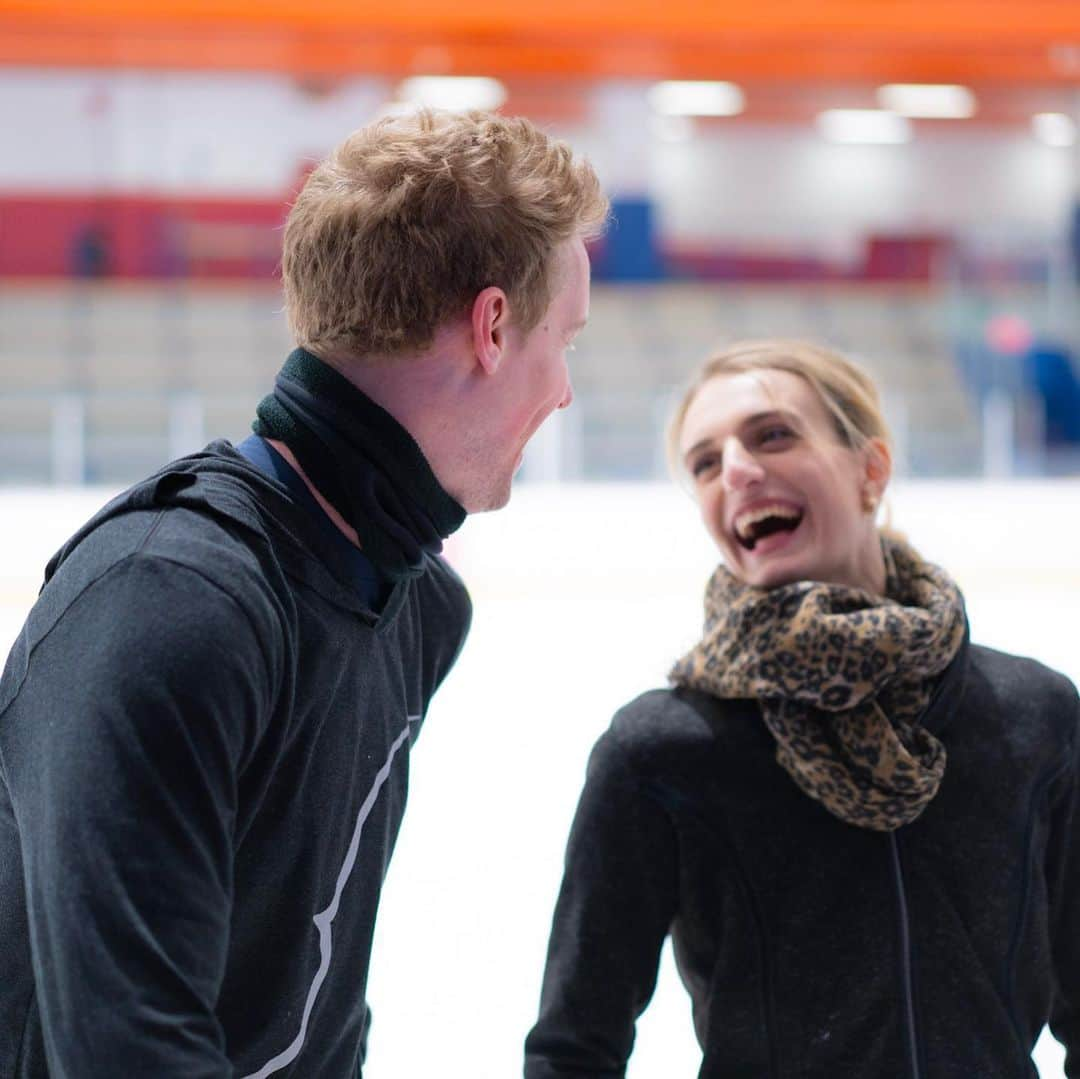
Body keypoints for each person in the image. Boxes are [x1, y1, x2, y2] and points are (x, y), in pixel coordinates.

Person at [0, 109, 607, 1078]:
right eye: (565, 337)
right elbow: (130, 1052)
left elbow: (311, 1003)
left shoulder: (411, 603)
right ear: (493, 326)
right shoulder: (172, 600)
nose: (566, 389)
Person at [524, 339, 1080, 1078]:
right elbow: (573, 1048)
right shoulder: (663, 749)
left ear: (870, 469)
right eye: (705, 463)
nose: (737, 471)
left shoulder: (1033, 716)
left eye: (773, 434)